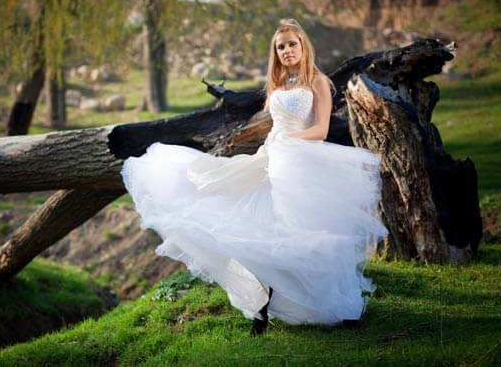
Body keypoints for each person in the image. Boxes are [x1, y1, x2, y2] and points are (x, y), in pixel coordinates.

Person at [120, 18, 389, 336]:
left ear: (303, 46)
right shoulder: (279, 83)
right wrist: (269, 148)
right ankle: (261, 305)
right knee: (256, 223)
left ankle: (340, 305)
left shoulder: (317, 82)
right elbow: (277, 124)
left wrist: (289, 143)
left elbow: (320, 130)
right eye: (281, 46)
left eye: (292, 44)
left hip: (304, 163)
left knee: (305, 236)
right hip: (274, 156)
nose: (287, 50)